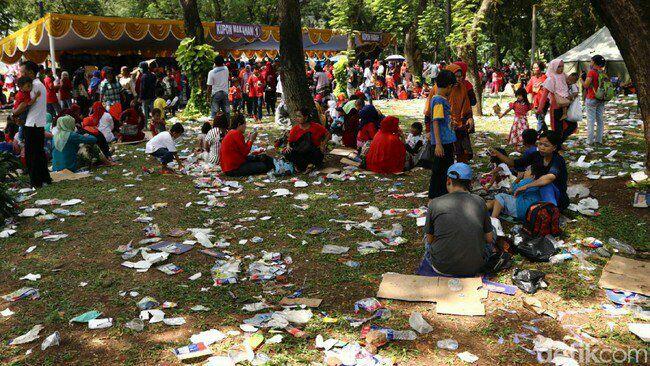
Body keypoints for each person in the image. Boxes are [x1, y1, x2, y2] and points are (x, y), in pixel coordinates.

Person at [417, 163, 494, 277]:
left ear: (448, 181)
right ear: (470, 183)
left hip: (441, 267)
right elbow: (489, 238)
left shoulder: (434, 203)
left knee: (426, 235)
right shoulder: (480, 201)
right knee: (493, 232)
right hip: (475, 267)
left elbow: (429, 239)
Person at [490, 130, 569, 210]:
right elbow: (513, 163)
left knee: (545, 186)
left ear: (554, 147)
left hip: (557, 196)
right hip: (539, 188)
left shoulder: (558, 160)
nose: (541, 147)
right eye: (540, 144)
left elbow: (548, 178)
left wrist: (527, 186)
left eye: (546, 145)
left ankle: (551, 211)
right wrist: (498, 154)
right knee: (520, 190)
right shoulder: (536, 156)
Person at [425, 69, 457, 200]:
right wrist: (438, 144)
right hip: (442, 142)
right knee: (439, 171)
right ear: (449, 86)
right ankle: (434, 196)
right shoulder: (438, 100)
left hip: (446, 140)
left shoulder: (441, 99)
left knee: (445, 169)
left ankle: (443, 194)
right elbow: (436, 122)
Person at [19, 61, 52, 188]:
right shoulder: (38, 84)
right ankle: (44, 179)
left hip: (32, 124)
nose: (21, 75)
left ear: (31, 73)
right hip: (36, 123)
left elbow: (25, 103)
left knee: (31, 155)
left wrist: (15, 113)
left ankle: (36, 182)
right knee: (38, 153)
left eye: (22, 72)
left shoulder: (33, 85)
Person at [284, 107, 330, 172]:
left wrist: (323, 144)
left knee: (319, 154)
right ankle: (306, 165)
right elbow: (290, 141)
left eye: (299, 116)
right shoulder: (295, 129)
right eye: (296, 116)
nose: (297, 118)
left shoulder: (316, 126)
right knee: (287, 153)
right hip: (300, 152)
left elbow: (327, 134)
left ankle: (308, 165)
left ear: (306, 117)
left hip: (312, 152)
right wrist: (288, 146)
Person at [537, 59, 569, 139]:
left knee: (566, 126)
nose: (561, 69)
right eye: (559, 67)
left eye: (562, 66)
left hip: (566, 105)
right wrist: (540, 108)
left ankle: (560, 143)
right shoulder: (550, 79)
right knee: (557, 127)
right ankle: (557, 145)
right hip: (556, 107)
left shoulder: (564, 76)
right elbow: (544, 95)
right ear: (553, 67)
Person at [583, 54, 607, 145]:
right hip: (601, 98)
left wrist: (581, 79)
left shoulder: (591, 72)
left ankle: (589, 141)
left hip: (592, 98)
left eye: (591, 61)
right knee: (600, 119)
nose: (590, 62)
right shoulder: (603, 72)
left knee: (591, 120)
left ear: (594, 62)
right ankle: (599, 140)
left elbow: (586, 85)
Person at [526, 62, 547, 131]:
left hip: (544, 101)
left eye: (536, 67)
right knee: (539, 118)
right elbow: (528, 90)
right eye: (533, 68)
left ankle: (537, 135)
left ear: (540, 68)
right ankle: (546, 133)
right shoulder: (532, 78)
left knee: (540, 118)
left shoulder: (545, 77)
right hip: (536, 102)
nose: (534, 69)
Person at [207, 55, 230, 119]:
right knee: (227, 113)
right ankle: (228, 126)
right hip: (225, 93)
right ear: (223, 62)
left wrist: (208, 97)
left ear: (214, 63)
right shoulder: (226, 69)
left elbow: (209, 86)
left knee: (214, 113)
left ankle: (215, 127)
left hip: (216, 93)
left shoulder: (211, 72)